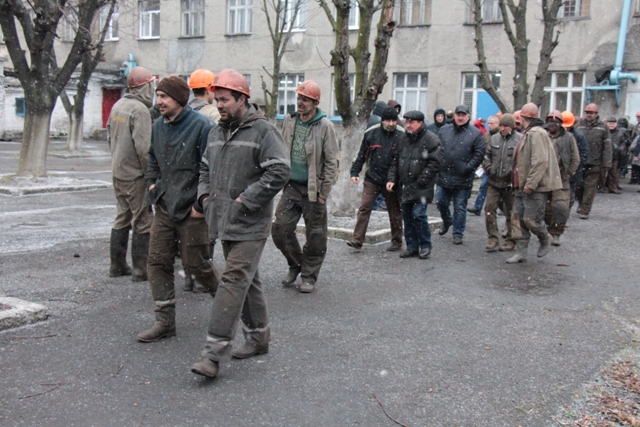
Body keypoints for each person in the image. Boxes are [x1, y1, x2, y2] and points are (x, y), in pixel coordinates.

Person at [190, 69, 291, 379]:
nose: (219, 105)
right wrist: (205, 198)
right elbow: (205, 169)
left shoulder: (263, 131)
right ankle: (259, 338)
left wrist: (245, 201)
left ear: (242, 99)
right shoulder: (215, 132)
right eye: (217, 99)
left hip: (251, 223)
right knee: (249, 280)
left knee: (232, 281)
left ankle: (212, 353)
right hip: (222, 221)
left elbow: (279, 171)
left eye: (225, 99)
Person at [137, 75, 219, 343]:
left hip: (192, 210)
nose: (158, 101)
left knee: (197, 264)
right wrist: (151, 184)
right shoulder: (158, 126)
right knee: (157, 262)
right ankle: (165, 322)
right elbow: (153, 158)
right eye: (157, 96)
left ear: (180, 100)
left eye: (164, 97)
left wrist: (199, 205)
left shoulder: (203, 126)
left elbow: (212, 170)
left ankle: (228, 308)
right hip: (165, 206)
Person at [271, 80, 340, 294]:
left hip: (314, 189)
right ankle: (296, 264)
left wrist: (323, 192)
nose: (300, 102)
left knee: (316, 236)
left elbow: (332, 162)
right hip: (291, 186)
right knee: (280, 229)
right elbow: (282, 151)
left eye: (305, 99)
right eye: (299, 98)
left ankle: (309, 276)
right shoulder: (290, 121)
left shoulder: (325, 126)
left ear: (315, 102)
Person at [106, 66, 154, 281]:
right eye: (152, 85)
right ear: (145, 86)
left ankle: (117, 266)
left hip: (118, 170)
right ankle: (140, 270)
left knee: (122, 216)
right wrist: (150, 175)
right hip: (135, 175)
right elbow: (144, 148)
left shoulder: (118, 105)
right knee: (142, 219)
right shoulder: (140, 110)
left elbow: (109, 137)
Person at [506, 103, 562, 264]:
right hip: (520, 185)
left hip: (534, 187)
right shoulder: (528, 133)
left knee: (531, 219)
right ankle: (521, 251)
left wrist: (530, 184)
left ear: (525, 118)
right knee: (518, 219)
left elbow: (540, 161)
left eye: (520, 119)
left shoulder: (536, 134)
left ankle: (544, 237)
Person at [386, 111, 442, 259]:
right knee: (407, 216)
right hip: (405, 185)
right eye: (407, 121)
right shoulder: (402, 139)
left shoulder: (431, 139)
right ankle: (411, 246)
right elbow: (395, 161)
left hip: (422, 186)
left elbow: (435, 162)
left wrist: (422, 180)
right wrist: (392, 179)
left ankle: (425, 245)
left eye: (412, 122)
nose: (408, 125)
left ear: (420, 123)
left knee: (418, 215)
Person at [347, 107, 404, 251]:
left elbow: (401, 160)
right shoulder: (371, 133)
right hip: (372, 178)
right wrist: (354, 172)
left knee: (394, 211)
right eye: (388, 120)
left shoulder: (402, 135)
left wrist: (396, 179)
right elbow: (361, 155)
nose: (391, 123)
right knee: (364, 207)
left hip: (392, 181)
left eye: (393, 121)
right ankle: (357, 239)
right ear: (382, 121)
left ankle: (397, 240)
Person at [435, 105, 485, 245]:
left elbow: (479, 153)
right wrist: (438, 163)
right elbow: (437, 148)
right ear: (454, 116)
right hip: (444, 173)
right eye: (458, 115)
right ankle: (447, 220)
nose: (460, 117)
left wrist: (468, 167)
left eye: (463, 115)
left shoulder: (475, 133)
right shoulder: (444, 130)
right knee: (440, 202)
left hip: (463, 176)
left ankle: (458, 233)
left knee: (460, 206)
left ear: (468, 117)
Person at [482, 113, 521, 252]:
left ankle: (511, 239)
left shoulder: (519, 140)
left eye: (505, 126)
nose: (502, 128)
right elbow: (486, 156)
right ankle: (492, 238)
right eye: (501, 125)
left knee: (511, 212)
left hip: (510, 184)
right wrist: (489, 168)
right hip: (493, 182)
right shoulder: (494, 138)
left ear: (512, 127)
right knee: (489, 209)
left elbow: (521, 162)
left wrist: (512, 174)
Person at [544, 110, 580, 246]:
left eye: (555, 122)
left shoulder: (569, 138)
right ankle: (547, 228)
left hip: (561, 179)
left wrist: (569, 173)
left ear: (561, 124)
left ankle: (556, 233)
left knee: (560, 207)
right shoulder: (543, 136)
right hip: (544, 178)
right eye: (550, 121)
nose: (552, 124)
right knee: (544, 207)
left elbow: (575, 158)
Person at [575, 103, 612, 219]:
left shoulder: (603, 127)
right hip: (580, 162)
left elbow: (607, 146)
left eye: (591, 113)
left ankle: (585, 210)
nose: (589, 115)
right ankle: (581, 204)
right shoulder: (579, 125)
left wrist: (607, 163)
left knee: (590, 188)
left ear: (596, 114)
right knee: (579, 186)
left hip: (595, 162)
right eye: (587, 113)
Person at [468, 115, 500, 216]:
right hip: (487, 165)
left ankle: (504, 208)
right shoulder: (487, 135)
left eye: (492, 123)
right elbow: (483, 150)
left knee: (499, 189)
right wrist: (483, 164)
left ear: (497, 124)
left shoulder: (500, 135)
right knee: (483, 186)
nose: (489, 125)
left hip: (497, 167)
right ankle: (478, 207)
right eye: (489, 123)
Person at [562, 111, 589, 209]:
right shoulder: (555, 134)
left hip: (573, 171)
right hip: (559, 170)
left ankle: (564, 217)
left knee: (570, 195)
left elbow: (583, 153)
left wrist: (574, 167)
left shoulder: (578, 136)